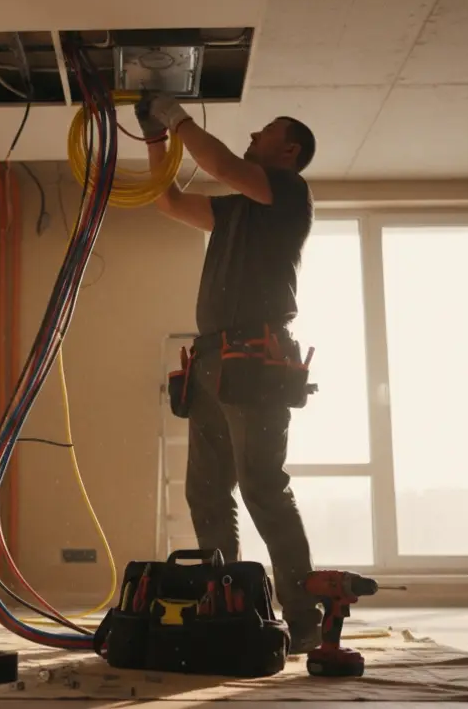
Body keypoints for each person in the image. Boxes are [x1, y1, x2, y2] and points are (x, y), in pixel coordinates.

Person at [136, 93, 323, 653]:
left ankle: (305, 618)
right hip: (213, 359)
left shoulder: (289, 191)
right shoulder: (236, 209)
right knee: (207, 494)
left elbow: (219, 164)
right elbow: (168, 203)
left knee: (263, 486)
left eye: (267, 130)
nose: (256, 133)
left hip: (257, 357)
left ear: (287, 150)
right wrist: (154, 138)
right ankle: (231, 603)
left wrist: (176, 117)